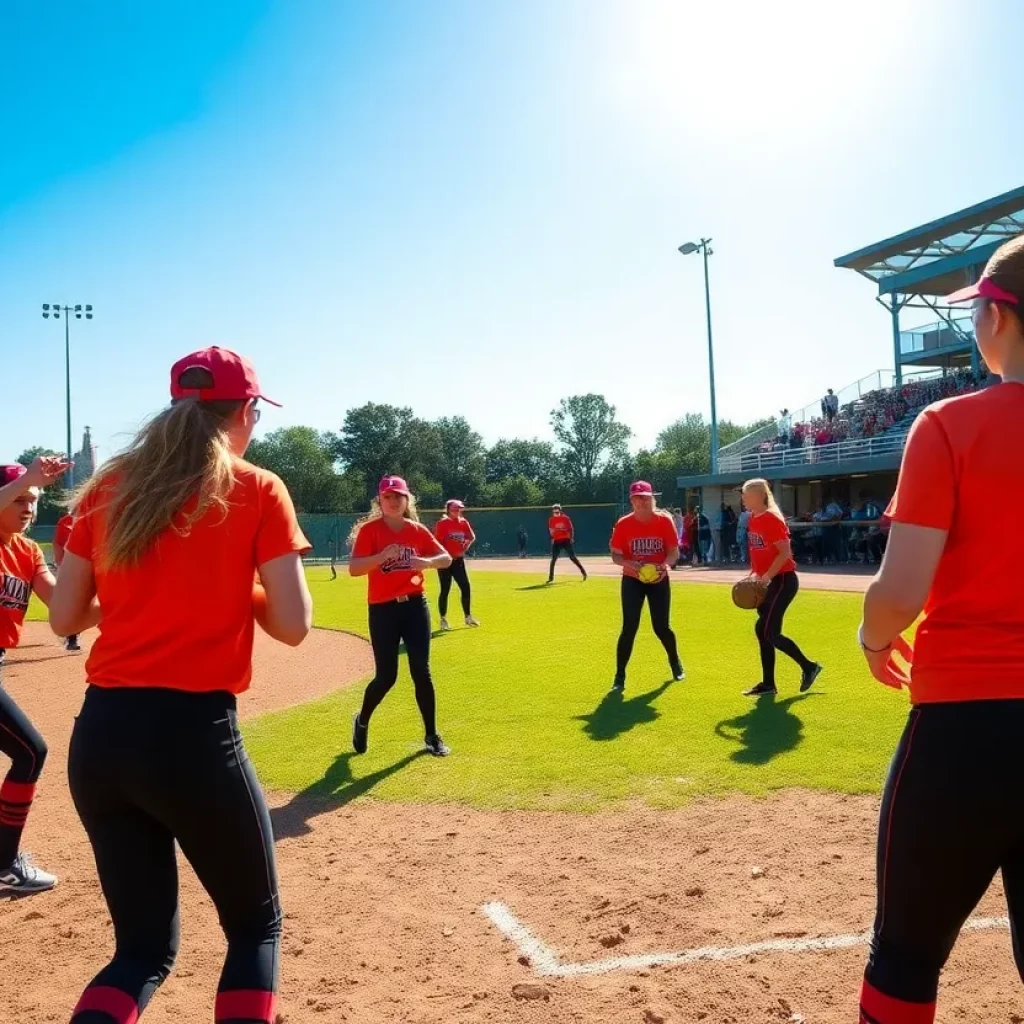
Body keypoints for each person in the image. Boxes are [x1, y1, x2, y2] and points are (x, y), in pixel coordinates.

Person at [50, 346, 313, 1024]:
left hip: (102, 738)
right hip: (193, 740)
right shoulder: (257, 487)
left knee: (139, 953)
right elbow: (292, 624)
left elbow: (65, 617)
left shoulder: (110, 486)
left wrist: (148, 598)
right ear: (244, 412)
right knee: (254, 931)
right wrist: (233, 590)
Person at [857, 238, 1024, 1024]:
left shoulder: (948, 423)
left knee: (906, 954)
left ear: (995, 315)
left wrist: (871, 636)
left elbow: (899, 591)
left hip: (965, 726)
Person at [0, 457, 68, 893]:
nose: (29, 507)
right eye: (21, 498)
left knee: (30, 753)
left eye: (35, 500)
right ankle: (5, 863)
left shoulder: (27, 551)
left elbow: (63, 610)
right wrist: (30, 476)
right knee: (31, 751)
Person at [349, 476, 453, 757]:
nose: (394, 502)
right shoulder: (371, 531)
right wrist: (381, 556)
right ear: (379, 501)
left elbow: (446, 558)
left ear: (408, 500)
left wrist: (428, 562)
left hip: (415, 606)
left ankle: (432, 735)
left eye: (399, 497)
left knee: (422, 670)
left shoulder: (416, 530)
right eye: (388, 497)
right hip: (383, 610)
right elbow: (355, 568)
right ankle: (362, 720)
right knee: (386, 677)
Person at [740, 478, 822, 698]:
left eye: (746, 494)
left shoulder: (771, 519)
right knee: (762, 630)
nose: (743, 498)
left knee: (770, 632)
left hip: (783, 581)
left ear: (758, 496)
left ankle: (809, 667)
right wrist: (754, 576)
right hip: (768, 581)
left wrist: (766, 577)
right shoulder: (753, 519)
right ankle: (768, 684)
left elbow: (785, 553)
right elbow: (759, 553)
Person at [609, 482, 684, 691]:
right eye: (637, 498)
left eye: (645, 497)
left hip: (659, 580)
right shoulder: (624, 524)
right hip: (632, 579)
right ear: (631, 500)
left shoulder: (664, 521)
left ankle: (674, 662)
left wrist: (663, 565)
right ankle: (620, 676)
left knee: (661, 627)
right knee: (629, 628)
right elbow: (615, 555)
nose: (641, 501)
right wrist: (628, 563)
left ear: (652, 499)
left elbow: (673, 553)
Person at [434, 499, 480, 630]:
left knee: (465, 587)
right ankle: (443, 619)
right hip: (445, 562)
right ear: (448, 509)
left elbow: (471, 537)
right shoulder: (442, 524)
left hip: (458, 561)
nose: (457, 511)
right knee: (445, 589)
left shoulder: (463, 522)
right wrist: (444, 556)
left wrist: (465, 546)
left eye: (459, 508)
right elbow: (437, 543)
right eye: (455, 508)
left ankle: (468, 617)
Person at [52, 511, 81, 651]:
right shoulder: (66, 521)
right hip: (69, 566)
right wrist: (59, 561)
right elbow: (58, 542)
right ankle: (72, 638)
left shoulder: (94, 517)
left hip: (88, 566)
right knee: (71, 601)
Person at [547, 503, 587, 583]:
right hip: (557, 541)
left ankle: (583, 572)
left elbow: (571, 528)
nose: (556, 514)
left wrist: (571, 537)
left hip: (565, 540)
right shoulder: (551, 520)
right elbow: (551, 530)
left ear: (560, 511)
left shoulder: (566, 518)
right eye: (554, 512)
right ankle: (551, 578)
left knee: (572, 557)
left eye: (557, 512)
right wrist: (552, 538)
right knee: (553, 559)